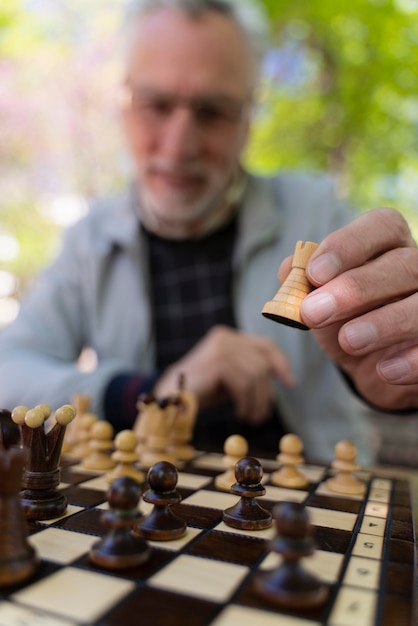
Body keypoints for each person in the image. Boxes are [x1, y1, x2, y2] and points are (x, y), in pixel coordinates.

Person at [0, 0, 417, 465]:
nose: (179, 146)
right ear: (124, 104)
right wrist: (152, 389)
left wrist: (397, 378)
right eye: (156, 104)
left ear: (248, 118)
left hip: (311, 515)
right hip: (145, 506)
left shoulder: (318, 216)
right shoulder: (89, 242)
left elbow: (390, 364)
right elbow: (8, 370)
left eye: (212, 111)